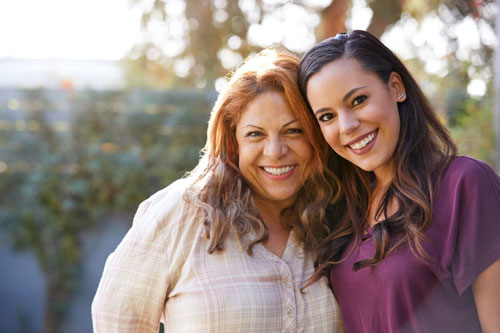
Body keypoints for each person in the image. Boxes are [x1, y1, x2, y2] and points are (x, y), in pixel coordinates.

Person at [92, 49, 343, 332]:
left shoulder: (339, 220)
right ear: (234, 143)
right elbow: (118, 319)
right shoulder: (183, 212)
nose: (275, 151)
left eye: (293, 130)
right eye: (255, 134)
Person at [298, 30, 500, 332]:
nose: (347, 126)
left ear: (396, 87)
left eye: (358, 100)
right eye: (327, 117)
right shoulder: (344, 211)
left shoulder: (465, 184)